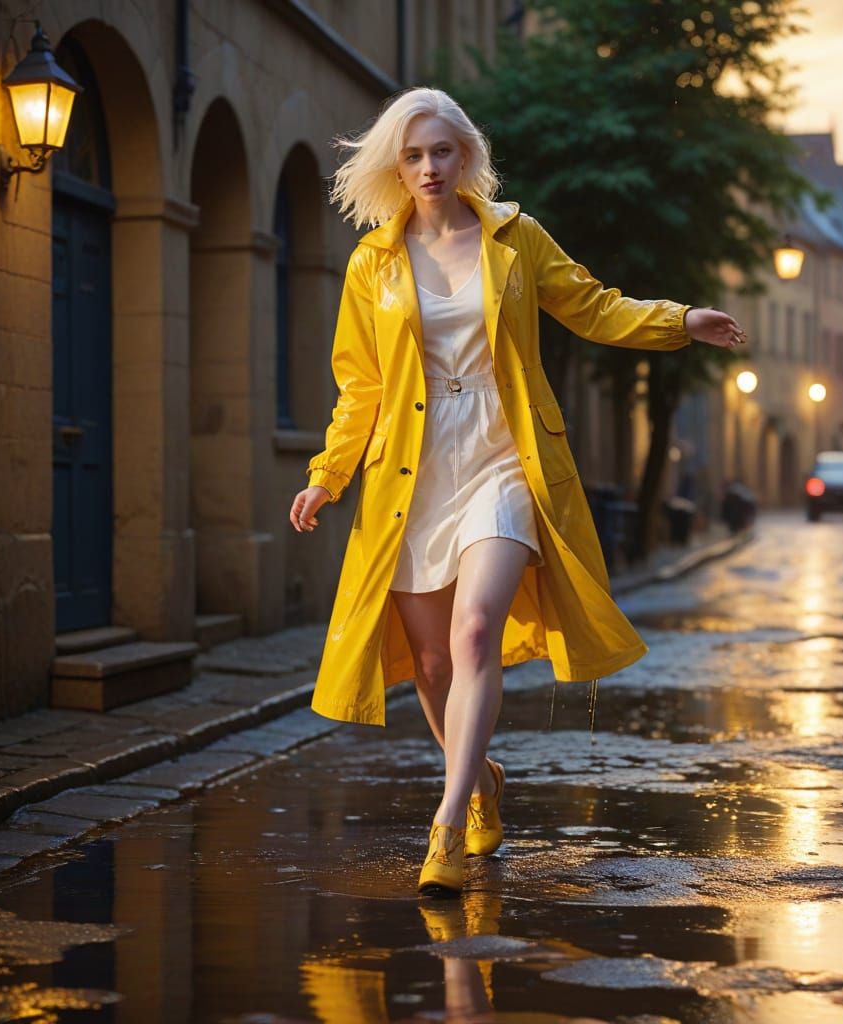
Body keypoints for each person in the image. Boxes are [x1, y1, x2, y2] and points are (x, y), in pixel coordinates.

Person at [288, 87, 745, 898]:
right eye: (415, 155)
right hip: (412, 473)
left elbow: (594, 306)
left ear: (468, 156)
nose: (430, 167)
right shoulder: (373, 263)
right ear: (399, 166)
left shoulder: (515, 239)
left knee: (473, 633)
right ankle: (484, 787)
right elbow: (358, 387)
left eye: (443, 151)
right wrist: (328, 475)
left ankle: (446, 823)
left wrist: (680, 320)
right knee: (430, 662)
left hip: (504, 458)